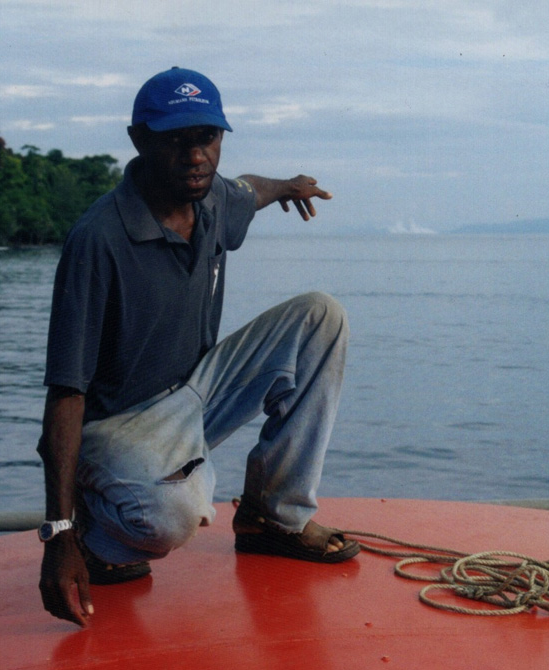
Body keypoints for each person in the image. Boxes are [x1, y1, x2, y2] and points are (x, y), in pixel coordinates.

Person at [37, 67, 358, 626]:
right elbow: (65, 397)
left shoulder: (212, 201)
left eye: (208, 137)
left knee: (321, 315)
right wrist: (58, 534)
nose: (197, 156)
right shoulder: (99, 240)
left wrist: (290, 186)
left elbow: (250, 189)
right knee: (174, 514)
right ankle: (101, 538)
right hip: (122, 425)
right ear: (140, 140)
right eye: (178, 140)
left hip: (195, 392)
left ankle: (271, 517)